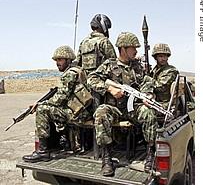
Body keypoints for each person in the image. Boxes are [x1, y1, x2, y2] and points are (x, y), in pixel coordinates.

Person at [87, 32, 157, 176]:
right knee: (101, 112)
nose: (136, 51)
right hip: (115, 108)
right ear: (123, 49)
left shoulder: (137, 66)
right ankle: (106, 159)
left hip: (133, 108)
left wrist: (146, 95)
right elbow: (91, 79)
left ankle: (150, 156)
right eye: (133, 48)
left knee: (149, 113)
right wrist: (109, 88)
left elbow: (146, 82)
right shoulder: (109, 65)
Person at [22, 45, 92, 163]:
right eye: (56, 60)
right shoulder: (77, 70)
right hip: (80, 111)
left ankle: (43, 152)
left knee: (42, 110)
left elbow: (60, 98)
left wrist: (40, 104)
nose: (57, 63)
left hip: (78, 114)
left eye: (60, 60)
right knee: (47, 108)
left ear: (68, 60)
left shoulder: (70, 73)